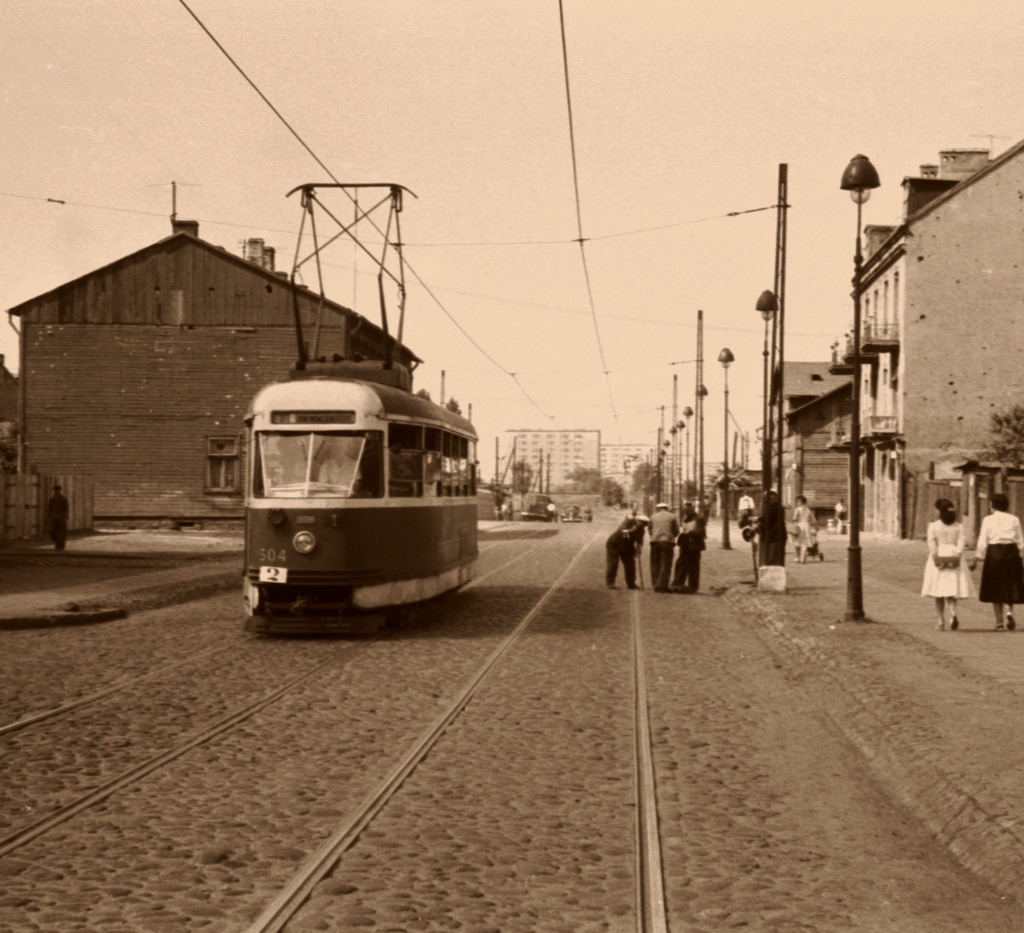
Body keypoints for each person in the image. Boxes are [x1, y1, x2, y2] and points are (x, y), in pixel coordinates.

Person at [968, 492, 1024, 631]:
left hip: (995, 553)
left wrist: (976, 558)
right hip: (1012, 552)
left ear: (992, 505)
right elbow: (1020, 541)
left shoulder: (988, 520)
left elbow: (982, 541)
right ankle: (1009, 612)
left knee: (996, 585)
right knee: (1010, 583)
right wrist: (1022, 557)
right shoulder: (1014, 519)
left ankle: (999, 621)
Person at [921, 498, 975, 631]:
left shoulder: (933, 526)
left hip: (940, 553)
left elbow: (931, 543)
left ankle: (940, 620)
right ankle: (953, 612)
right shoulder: (959, 526)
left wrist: (935, 557)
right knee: (951, 588)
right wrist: (956, 554)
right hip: (954, 554)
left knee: (938, 591)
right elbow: (961, 543)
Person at [670, 502, 706, 593]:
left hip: (694, 546)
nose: (685, 512)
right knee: (681, 564)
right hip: (685, 546)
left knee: (693, 567)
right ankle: (678, 583)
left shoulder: (699, 519)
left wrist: (690, 533)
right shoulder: (686, 518)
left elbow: (702, 533)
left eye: (687, 510)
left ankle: (693, 587)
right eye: (684, 510)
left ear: (692, 509)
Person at [606, 512, 647, 589]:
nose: (642, 526)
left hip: (626, 546)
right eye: (641, 523)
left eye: (644, 525)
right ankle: (610, 583)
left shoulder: (641, 531)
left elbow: (640, 542)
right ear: (638, 521)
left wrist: (639, 550)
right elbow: (623, 532)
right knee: (613, 563)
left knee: (631, 564)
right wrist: (633, 529)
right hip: (614, 544)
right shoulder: (629, 521)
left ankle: (631, 584)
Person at [648, 502, 679, 592]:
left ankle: (655, 584)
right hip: (667, 542)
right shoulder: (672, 516)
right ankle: (664, 585)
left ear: (658, 508)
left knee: (655, 563)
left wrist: (654, 535)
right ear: (667, 508)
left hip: (655, 542)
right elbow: (676, 531)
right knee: (666, 564)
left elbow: (649, 530)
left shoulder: (653, 517)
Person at [760, 490, 786, 566]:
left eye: (771, 498)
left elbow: (772, 520)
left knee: (773, 560)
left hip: (775, 537)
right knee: (770, 559)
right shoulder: (768, 507)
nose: (768, 500)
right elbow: (766, 518)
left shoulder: (777, 508)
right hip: (771, 537)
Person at [790, 495, 817, 564]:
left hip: (799, 526)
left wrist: (793, 523)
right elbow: (813, 520)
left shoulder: (797, 509)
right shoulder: (808, 510)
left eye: (798, 501)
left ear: (801, 502)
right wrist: (815, 526)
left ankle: (797, 557)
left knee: (797, 542)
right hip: (807, 526)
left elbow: (794, 519)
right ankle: (802, 558)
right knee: (805, 542)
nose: (797, 503)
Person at [47, 484, 70, 550]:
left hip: (61, 518)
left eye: (58, 490)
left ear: (60, 491)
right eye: (55, 490)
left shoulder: (63, 499)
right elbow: (49, 509)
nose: (56, 492)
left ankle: (60, 546)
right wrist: (49, 517)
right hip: (53, 518)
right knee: (51, 532)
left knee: (61, 533)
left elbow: (66, 509)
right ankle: (57, 543)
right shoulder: (52, 499)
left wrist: (65, 518)